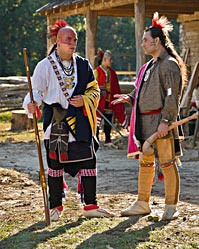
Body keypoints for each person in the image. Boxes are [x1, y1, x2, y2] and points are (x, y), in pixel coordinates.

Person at [23, 20, 114, 221]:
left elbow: (94, 89)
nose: (72, 43)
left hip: (80, 122)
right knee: (55, 165)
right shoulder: (44, 66)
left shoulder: (82, 64)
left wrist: (85, 100)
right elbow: (36, 92)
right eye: (68, 40)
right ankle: (55, 207)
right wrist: (32, 103)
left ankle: (90, 205)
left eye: (74, 40)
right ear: (57, 41)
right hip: (56, 123)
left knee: (89, 160)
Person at [112, 12, 187, 220]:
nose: (143, 44)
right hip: (145, 123)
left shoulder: (169, 64)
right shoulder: (151, 65)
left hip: (161, 122)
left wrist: (165, 122)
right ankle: (142, 203)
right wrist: (129, 97)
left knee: (167, 163)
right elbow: (142, 91)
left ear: (157, 41)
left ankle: (171, 206)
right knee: (145, 163)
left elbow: (173, 97)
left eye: (146, 40)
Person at [94, 49, 128, 146]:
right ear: (104, 59)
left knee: (108, 120)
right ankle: (95, 140)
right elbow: (91, 86)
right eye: (110, 59)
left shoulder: (112, 73)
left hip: (109, 100)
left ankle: (107, 140)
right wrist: (99, 89)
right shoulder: (96, 72)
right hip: (99, 100)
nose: (111, 61)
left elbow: (115, 87)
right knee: (96, 121)